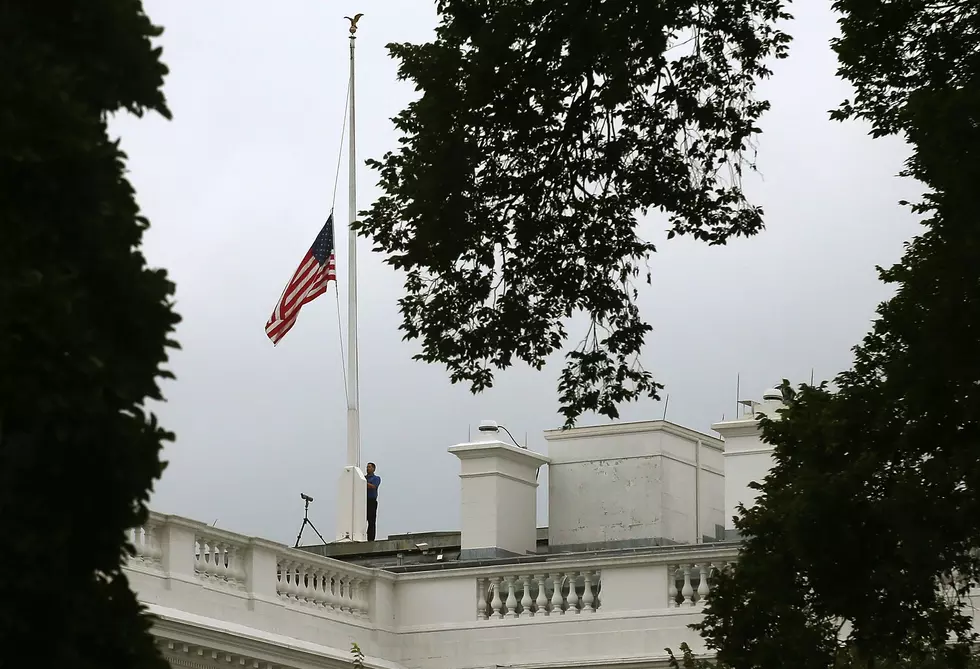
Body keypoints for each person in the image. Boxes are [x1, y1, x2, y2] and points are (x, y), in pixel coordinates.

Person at [365, 462, 381, 541]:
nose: (368, 468)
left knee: (371, 520)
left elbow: (373, 486)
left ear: (374, 469)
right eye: (367, 467)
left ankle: (371, 539)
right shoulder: (363, 478)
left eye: (369, 467)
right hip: (363, 501)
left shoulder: (376, 478)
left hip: (371, 501)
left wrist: (363, 483)